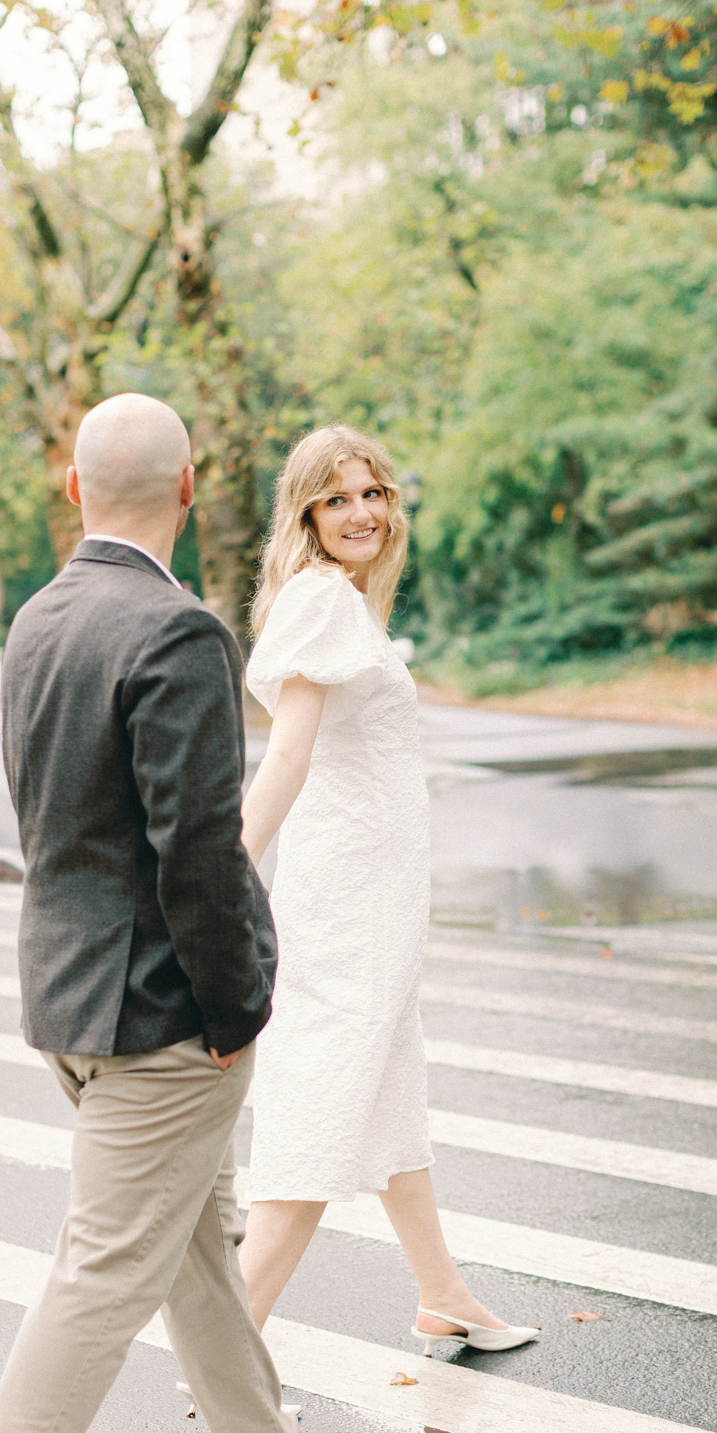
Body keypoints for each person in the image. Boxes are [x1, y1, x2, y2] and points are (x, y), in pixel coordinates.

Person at [0, 395, 357, 1433]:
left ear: (73, 490)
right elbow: (200, 858)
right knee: (108, 1265)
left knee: (189, 1240)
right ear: (187, 489)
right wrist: (241, 1007)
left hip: (64, 996)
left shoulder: (39, 617)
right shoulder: (177, 631)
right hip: (164, 1014)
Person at [236, 424, 540, 1356]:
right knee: (321, 1111)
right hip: (349, 902)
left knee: (387, 1089)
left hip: (377, 892)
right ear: (307, 516)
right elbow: (286, 752)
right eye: (337, 500)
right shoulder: (324, 600)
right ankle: (229, 1349)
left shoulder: (342, 603)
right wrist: (228, 872)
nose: (361, 513)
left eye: (372, 494)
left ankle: (441, 1292)